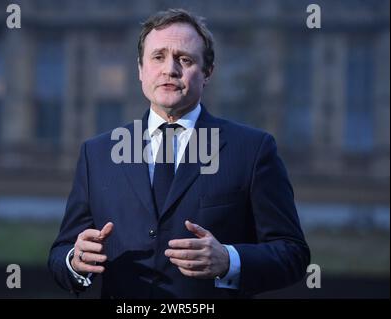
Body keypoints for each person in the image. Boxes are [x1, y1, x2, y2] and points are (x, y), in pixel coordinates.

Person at [48, 8, 310, 299]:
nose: (169, 69)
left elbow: (292, 253)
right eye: (158, 57)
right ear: (140, 69)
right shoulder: (97, 154)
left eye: (184, 59)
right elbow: (60, 253)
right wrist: (75, 260)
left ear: (207, 71)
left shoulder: (252, 150)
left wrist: (228, 259)